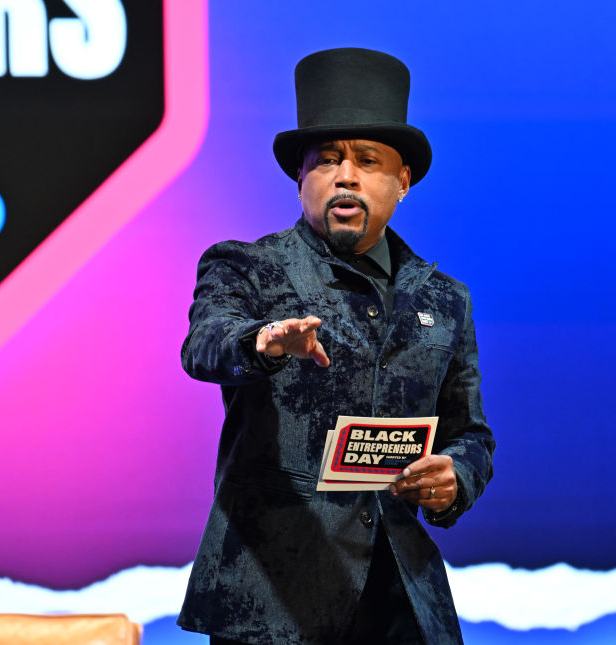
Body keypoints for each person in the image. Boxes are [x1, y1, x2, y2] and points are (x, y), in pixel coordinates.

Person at [177, 48, 495, 645]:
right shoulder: (247, 267)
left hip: (401, 602)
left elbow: (471, 435)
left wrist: (455, 477)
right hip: (272, 601)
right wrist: (263, 341)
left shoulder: (446, 298)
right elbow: (205, 344)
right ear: (301, 179)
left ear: (402, 181)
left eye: (367, 160)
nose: (345, 175)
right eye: (326, 160)